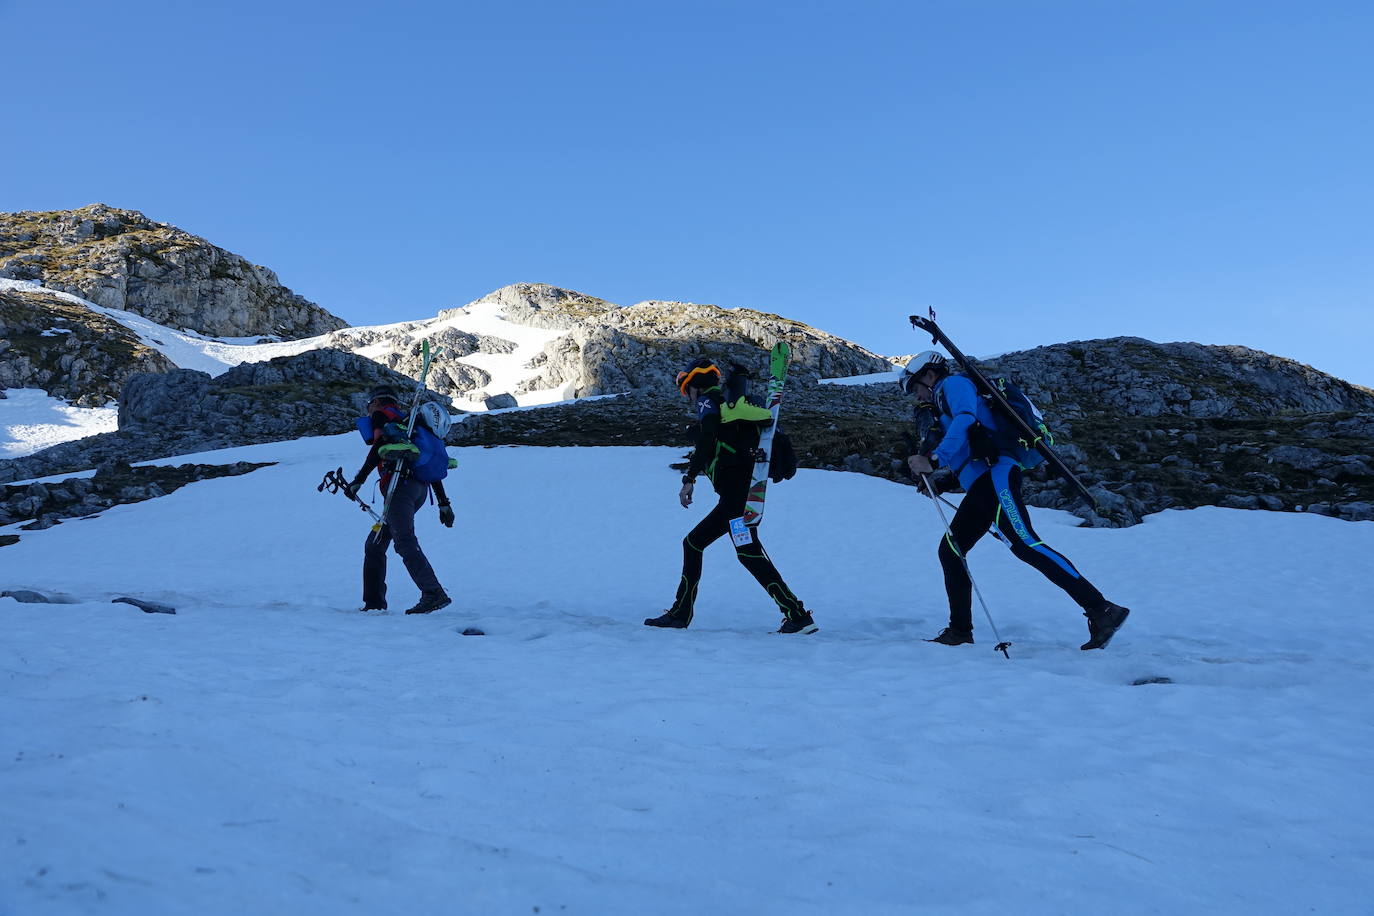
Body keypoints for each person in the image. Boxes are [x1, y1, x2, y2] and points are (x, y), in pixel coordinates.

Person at [900, 351, 1130, 650]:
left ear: (929, 375)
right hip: (982, 485)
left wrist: (932, 458)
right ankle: (959, 631)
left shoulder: (952, 385)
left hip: (996, 477)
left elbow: (967, 421)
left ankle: (1103, 609)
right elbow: (973, 450)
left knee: (1026, 544)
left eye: (914, 387)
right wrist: (943, 480)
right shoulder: (942, 400)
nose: (915, 396)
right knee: (951, 550)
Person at [644, 358, 817, 634]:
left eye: (686, 390)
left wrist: (689, 478)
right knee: (746, 552)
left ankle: (681, 613)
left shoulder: (708, 401)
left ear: (694, 385)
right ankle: (796, 615)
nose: (688, 397)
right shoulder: (728, 406)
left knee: (693, 543)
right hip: (742, 495)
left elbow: (707, 438)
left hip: (735, 498)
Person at [346, 385, 454, 615]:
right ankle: (373, 603)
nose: (368, 409)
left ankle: (433, 592)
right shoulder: (410, 422)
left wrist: (358, 480)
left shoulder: (381, 415)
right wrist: (444, 502)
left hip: (399, 489)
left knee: (404, 541)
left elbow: (378, 448)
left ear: (375, 401)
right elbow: (428, 464)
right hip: (418, 490)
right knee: (374, 545)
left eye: (368, 404)